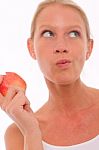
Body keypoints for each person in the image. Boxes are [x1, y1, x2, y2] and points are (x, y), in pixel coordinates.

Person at [0, 0, 99, 149]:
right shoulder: (18, 133)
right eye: (48, 33)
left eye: (73, 33)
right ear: (31, 48)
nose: (61, 47)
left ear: (89, 48)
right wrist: (31, 132)